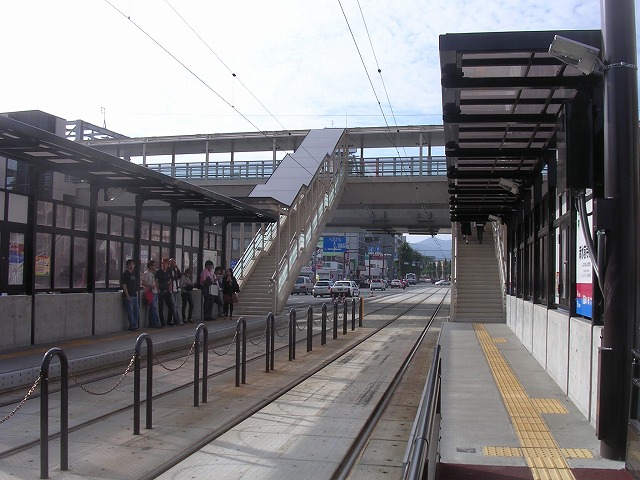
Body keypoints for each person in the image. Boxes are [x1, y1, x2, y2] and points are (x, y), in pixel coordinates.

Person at [156, 258, 182, 326]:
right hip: (161, 291)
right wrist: (158, 289)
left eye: (166, 264)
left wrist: (170, 289)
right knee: (161, 307)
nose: (164, 266)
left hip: (169, 290)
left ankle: (169, 321)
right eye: (163, 264)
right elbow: (156, 281)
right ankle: (162, 321)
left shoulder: (170, 271)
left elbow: (173, 279)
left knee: (171, 306)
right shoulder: (159, 272)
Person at [121, 259, 140, 331]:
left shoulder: (133, 273)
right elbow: (124, 285)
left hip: (134, 294)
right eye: (130, 264)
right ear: (127, 265)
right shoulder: (125, 274)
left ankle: (135, 324)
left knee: (136, 310)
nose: (132, 266)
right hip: (128, 296)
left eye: (133, 264)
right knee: (130, 311)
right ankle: (132, 325)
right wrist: (127, 295)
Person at [141, 260, 161, 328]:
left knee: (152, 308)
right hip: (150, 292)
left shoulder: (152, 273)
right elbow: (143, 283)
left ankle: (151, 322)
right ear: (150, 266)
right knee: (154, 308)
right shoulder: (146, 273)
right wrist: (150, 286)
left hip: (154, 291)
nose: (155, 267)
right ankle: (156, 323)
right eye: (154, 265)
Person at [169, 258, 183, 324]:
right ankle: (177, 320)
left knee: (174, 305)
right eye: (172, 262)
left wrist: (177, 270)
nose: (173, 264)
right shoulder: (169, 270)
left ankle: (173, 320)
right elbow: (172, 278)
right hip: (171, 289)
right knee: (174, 305)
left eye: (174, 262)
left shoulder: (175, 270)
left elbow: (180, 276)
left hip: (176, 289)